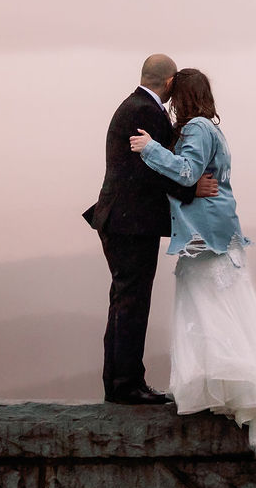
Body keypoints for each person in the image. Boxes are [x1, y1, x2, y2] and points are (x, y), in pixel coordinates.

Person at [129, 67, 256, 454]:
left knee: (209, 305)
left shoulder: (196, 128)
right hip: (217, 228)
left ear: (182, 96)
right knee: (228, 303)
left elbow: (187, 171)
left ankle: (238, 384)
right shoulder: (213, 128)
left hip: (206, 233)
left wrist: (150, 148)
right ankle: (237, 388)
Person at [83, 54, 219, 404]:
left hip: (122, 220)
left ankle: (121, 382)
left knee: (124, 300)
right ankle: (127, 385)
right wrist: (192, 188)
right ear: (171, 82)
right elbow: (151, 170)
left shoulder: (135, 105)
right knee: (132, 302)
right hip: (130, 223)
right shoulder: (144, 109)